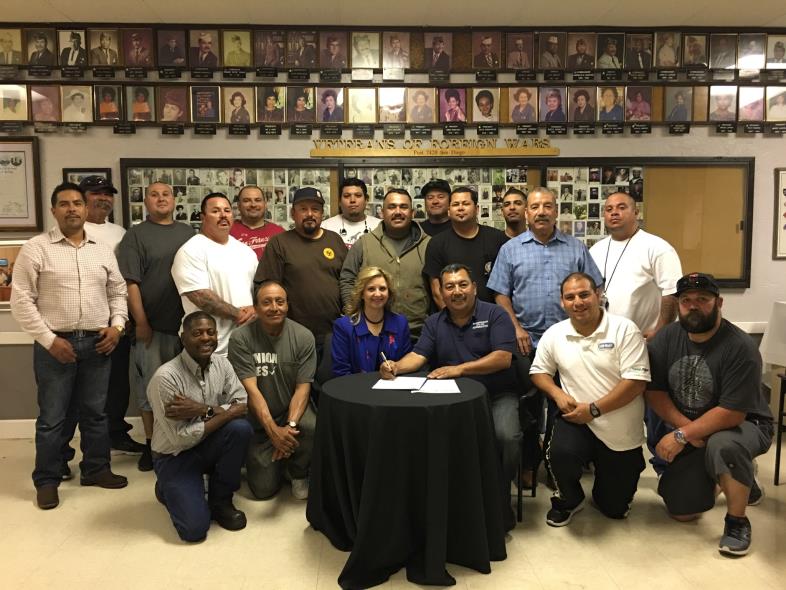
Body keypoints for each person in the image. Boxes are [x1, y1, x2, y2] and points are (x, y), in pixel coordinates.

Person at [11, 182, 128, 510]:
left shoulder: (101, 250)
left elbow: (117, 292)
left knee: (96, 413)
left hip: (98, 342)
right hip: (55, 344)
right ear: (54, 211)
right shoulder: (36, 248)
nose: (72, 209)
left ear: (85, 209)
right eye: (64, 204)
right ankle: (47, 480)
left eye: (77, 203)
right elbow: (22, 300)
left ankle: (96, 469)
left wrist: (117, 327)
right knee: (52, 418)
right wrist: (50, 341)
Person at [645, 272, 773, 556]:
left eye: (702, 299)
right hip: (696, 427)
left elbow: (731, 414)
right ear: (678, 305)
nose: (693, 306)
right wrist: (687, 430)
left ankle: (737, 522)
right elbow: (654, 393)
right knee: (681, 510)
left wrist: (682, 435)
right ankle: (736, 479)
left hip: (745, 424)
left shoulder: (740, 346)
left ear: (719, 303)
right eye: (686, 300)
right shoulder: (666, 338)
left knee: (724, 445)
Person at [380, 263, 521, 484]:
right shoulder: (434, 322)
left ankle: (499, 492)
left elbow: (503, 358)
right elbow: (418, 355)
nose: (457, 291)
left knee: (506, 437)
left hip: (496, 395)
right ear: (442, 292)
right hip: (453, 401)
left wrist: (460, 369)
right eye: (449, 286)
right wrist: (395, 366)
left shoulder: (496, 314)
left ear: (474, 287)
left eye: (463, 285)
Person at [531, 272, 650, 526]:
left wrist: (594, 410)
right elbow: (539, 372)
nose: (578, 302)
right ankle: (569, 499)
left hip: (618, 426)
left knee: (614, 508)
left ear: (598, 295)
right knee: (559, 454)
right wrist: (558, 394)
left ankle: (609, 491)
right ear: (562, 302)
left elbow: (636, 382)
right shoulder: (555, 333)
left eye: (584, 294)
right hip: (576, 419)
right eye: (570, 297)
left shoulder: (625, 329)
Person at [148, 311, 252, 542]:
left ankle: (221, 501)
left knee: (240, 429)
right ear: (183, 338)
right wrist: (222, 411)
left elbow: (242, 405)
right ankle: (165, 487)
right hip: (175, 456)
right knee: (194, 530)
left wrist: (202, 409)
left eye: (210, 332)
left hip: (207, 443)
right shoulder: (166, 378)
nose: (205, 338)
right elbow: (180, 438)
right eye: (197, 333)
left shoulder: (222, 364)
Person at [118, 182, 195, 472]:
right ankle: (152, 445)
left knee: (186, 388)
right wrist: (141, 322)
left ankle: (183, 442)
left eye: (166, 194)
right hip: (153, 328)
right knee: (150, 389)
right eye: (154, 194)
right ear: (145, 201)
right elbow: (130, 282)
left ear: (174, 200)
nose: (161, 199)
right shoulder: (135, 236)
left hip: (186, 329)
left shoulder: (188, 234)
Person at [228, 280, 316, 500]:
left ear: (287, 305)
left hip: (290, 410)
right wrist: (272, 430)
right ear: (256, 308)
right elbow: (252, 392)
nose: (274, 307)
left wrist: (290, 427)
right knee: (263, 490)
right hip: (257, 417)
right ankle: (273, 459)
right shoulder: (241, 338)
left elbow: (303, 388)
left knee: (312, 426)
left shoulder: (304, 336)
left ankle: (298, 472)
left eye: (280, 301)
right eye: (266, 302)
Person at [78, 176, 147, 455]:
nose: (103, 198)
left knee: (117, 384)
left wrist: (126, 319)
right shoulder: (73, 230)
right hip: (83, 323)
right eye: (96, 193)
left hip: (117, 322)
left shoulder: (121, 233)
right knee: (81, 390)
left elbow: (126, 280)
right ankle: (79, 449)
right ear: (83, 197)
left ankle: (116, 433)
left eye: (108, 194)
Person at [255, 187, 348, 359]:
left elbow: (347, 282)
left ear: (322, 213)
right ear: (293, 213)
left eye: (315, 209)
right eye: (303, 209)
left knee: (330, 376)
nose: (310, 214)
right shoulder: (279, 243)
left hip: (333, 333)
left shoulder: (335, 240)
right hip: (292, 335)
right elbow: (265, 288)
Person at [172, 193, 258, 356]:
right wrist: (239, 315)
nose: (223, 215)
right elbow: (201, 297)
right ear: (203, 217)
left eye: (227, 210)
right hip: (208, 348)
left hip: (246, 345)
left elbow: (258, 289)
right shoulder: (191, 250)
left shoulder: (245, 251)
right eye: (216, 211)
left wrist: (256, 309)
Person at [340, 189, 431, 336]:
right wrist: (354, 314)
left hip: (419, 333)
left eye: (403, 207)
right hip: (373, 334)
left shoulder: (429, 245)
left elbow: (438, 288)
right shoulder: (364, 244)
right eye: (391, 207)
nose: (398, 212)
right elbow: (347, 279)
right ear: (382, 213)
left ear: (412, 213)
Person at [424, 186, 508, 308]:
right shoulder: (437, 243)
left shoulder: (497, 238)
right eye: (455, 204)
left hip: (493, 314)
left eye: (466, 203)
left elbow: (506, 284)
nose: (460, 208)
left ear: (477, 209)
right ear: (449, 211)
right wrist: (452, 317)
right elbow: (437, 291)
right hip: (453, 315)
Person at [333, 266, 412, 376]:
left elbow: (407, 363)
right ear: (361, 294)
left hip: (393, 384)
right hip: (355, 385)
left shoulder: (400, 323)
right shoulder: (344, 326)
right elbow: (341, 372)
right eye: (371, 289)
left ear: (389, 293)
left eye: (382, 289)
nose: (378, 294)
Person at [322, 178, 382, 248]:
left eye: (358, 195)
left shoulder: (380, 226)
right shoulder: (326, 227)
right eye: (347, 196)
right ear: (339, 202)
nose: (352, 200)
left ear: (366, 200)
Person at [229, 185, 284, 260]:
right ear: (239, 205)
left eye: (258, 200)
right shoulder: (227, 232)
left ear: (265, 204)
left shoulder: (279, 233)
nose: (253, 205)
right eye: (247, 201)